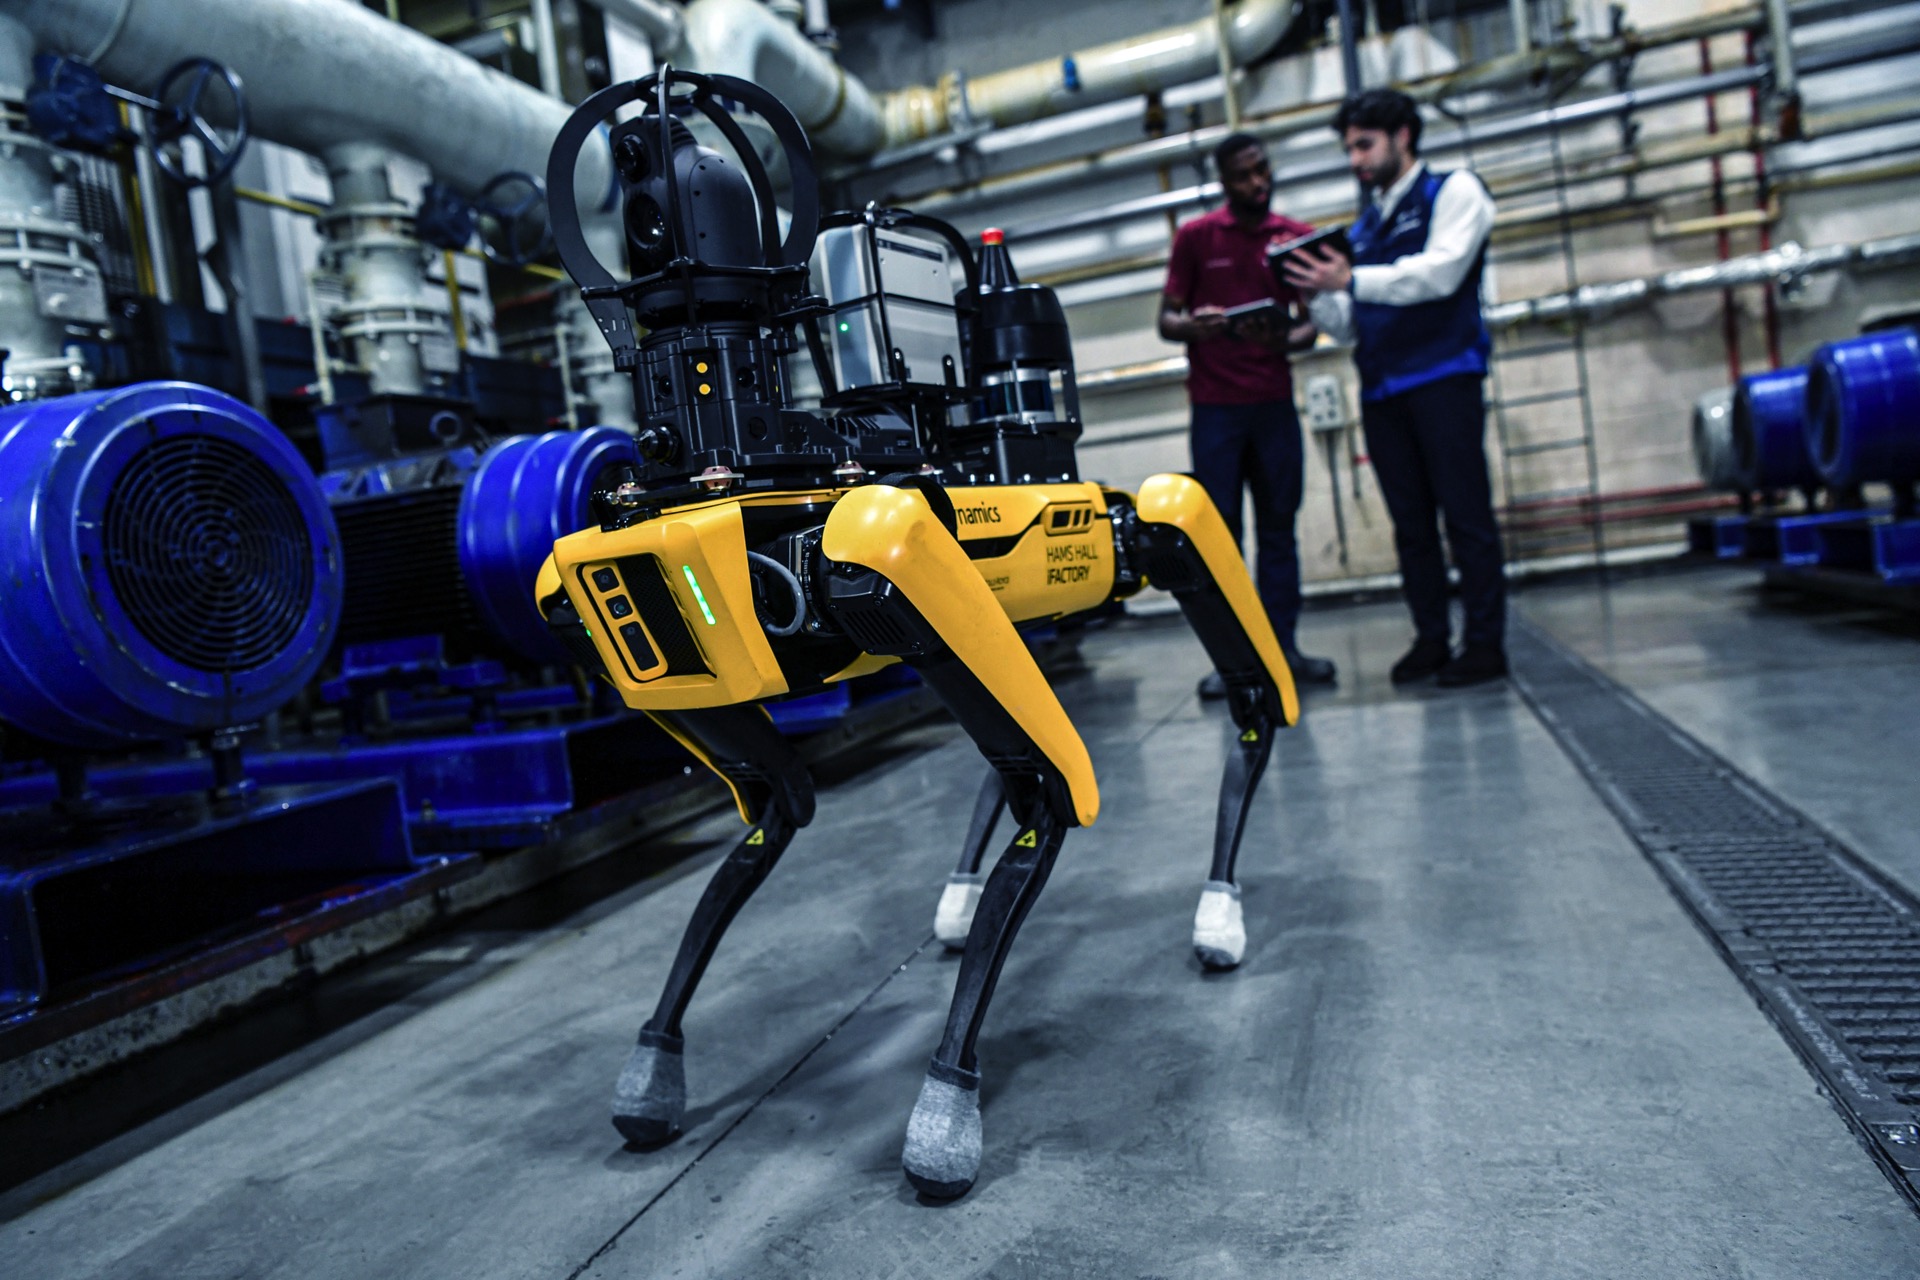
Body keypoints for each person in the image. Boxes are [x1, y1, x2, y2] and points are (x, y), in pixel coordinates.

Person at [1282, 88, 1508, 687]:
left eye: (1364, 145)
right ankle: (1431, 638)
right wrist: (1315, 292)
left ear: (1403, 136)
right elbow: (1349, 323)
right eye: (1349, 148)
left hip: (1444, 378)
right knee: (1411, 526)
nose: (1354, 159)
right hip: (1384, 390)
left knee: (1466, 517)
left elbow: (1441, 273)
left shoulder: (1455, 192)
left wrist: (1351, 279)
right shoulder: (1366, 226)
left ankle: (1485, 645)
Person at [1159, 132, 1338, 700]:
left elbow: (1311, 325)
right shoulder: (1196, 238)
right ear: (1224, 181)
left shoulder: (1294, 238)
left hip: (1273, 408)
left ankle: (1283, 652)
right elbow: (1166, 320)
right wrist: (1195, 327)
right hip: (1216, 412)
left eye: (1262, 170)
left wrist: (1285, 338)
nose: (1257, 183)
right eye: (1244, 175)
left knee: (1279, 531)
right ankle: (1236, 662)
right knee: (1222, 539)